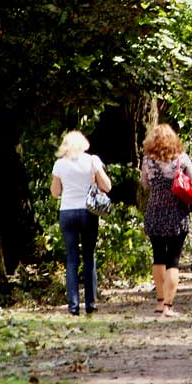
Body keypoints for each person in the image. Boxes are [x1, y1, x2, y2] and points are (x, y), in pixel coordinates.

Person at [140, 123, 192, 316]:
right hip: (178, 213)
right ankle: (169, 305)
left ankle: (159, 302)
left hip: (154, 212)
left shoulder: (147, 161)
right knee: (173, 261)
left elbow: (145, 184)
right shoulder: (182, 159)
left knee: (158, 257)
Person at [51, 130, 112, 316]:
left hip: (67, 212)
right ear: (83, 144)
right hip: (88, 211)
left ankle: (73, 306)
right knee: (89, 258)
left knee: (71, 259)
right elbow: (107, 186)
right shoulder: (92, 160)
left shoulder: (59, 164)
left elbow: (55, 192)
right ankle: (91, 304)